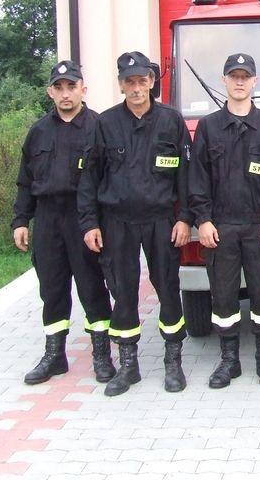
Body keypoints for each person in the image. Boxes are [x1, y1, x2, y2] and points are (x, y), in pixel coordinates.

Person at [78, 51, 191, 397]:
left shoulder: (171, 121)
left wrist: (186, 217)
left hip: (161, 221)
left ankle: (173, 362)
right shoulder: (105, 124)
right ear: (121, 85)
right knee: (123, 292)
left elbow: (188, 177)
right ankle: (129, 365)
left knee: (168, 289)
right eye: (130, 82)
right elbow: (89, 178)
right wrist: (89, 223)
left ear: (152, 82)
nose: (137, 87)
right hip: (118, 222)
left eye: (142, 81)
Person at [189, 53, 260, 388]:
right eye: (233, 76)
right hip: (220, 228)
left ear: (254, 81)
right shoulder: (207, 128)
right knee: (223, 297)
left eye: (245, 76)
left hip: (259, 228)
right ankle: (229, 361)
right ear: (224, 81)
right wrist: (202, 220)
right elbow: (197, 180)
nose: (239, 81)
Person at [12, 60, 114, 385]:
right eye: (59, 87)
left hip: (84, 220)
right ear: (50, 92)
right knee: (52, 290)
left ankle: (102, 356)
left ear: (84, 88)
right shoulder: (38, 131)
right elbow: (25, 180)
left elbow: (110, 180)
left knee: (92, 287)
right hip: (47, 219)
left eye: (72, 86)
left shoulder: (99, 128)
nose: (66, 93)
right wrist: (20, 220)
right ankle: (55, 356)